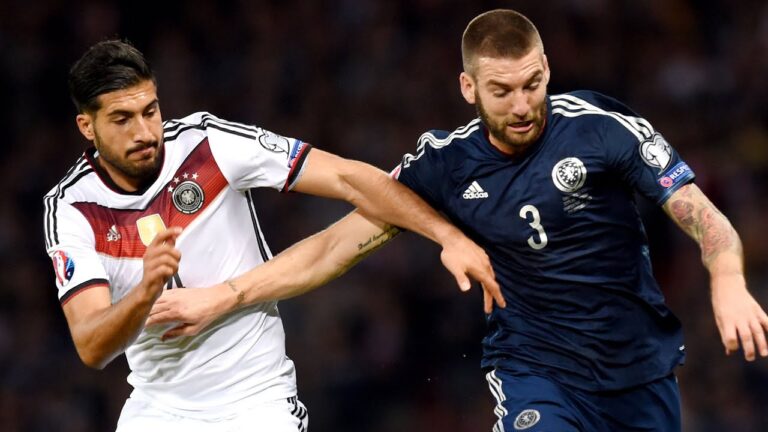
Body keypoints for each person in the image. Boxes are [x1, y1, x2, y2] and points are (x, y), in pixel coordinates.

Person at [146, 9, 768, 431]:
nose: (524, 105)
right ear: (468, 88)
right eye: (503, 91)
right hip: (536, 373)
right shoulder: (442, 166)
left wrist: (728, 279)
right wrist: (225, 296)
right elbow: (336, 247)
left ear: (547, 68)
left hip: (640, 370)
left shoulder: (601, 129)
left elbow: (704, 217)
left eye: (533, 83)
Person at [42, 39, 504, 432]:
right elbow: (92, 345)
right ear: (88, 126)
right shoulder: (72, 209)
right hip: (157, 410)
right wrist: (144, 291)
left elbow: (347, 178)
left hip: (256, 402)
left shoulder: (209, 145)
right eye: (123, 119)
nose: (145, 132)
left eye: (151, 110)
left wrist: (447, 236)